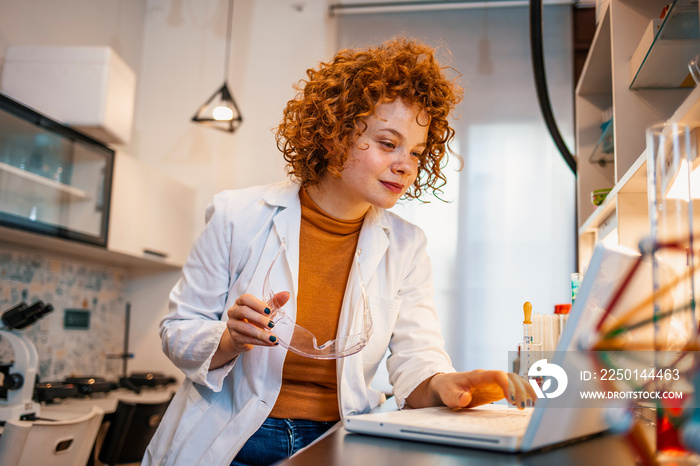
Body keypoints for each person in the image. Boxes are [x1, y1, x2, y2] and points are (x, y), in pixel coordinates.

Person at [144, 37, 536, 466]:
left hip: (338, 441)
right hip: (229, 438)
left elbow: (416, 361)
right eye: (388, 143)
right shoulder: (237, 215)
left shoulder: (406, 245)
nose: (406, 165)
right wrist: (229, 337)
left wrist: (447, 383)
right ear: (333, 134)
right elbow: (178, 331)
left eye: (417, 152)